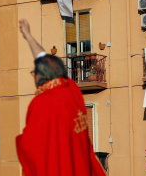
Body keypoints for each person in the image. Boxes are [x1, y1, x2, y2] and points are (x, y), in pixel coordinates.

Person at [15, 19, 106, 176]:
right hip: (80, 168)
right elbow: (45, 59)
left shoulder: (42, 102)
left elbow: (31, 146)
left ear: (39, 77)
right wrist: (28, 35)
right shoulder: (71, 90)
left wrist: (20, 141)